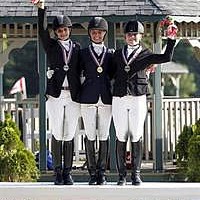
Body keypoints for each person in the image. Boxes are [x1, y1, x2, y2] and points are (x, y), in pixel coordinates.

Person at [112, 20, 178, 186]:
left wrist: (170, 39)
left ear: (140, 36)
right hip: (119, 97)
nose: (132, 37)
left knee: (136, 134)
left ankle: (135, 174)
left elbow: (166, 57)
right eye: (129, 34)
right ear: (124, 36)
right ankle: (121, 176)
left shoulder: (147, 54)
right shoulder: (117, 54)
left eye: (135, 34)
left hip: (138, 97)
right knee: (121, 135)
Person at [32, 0, 81, 185]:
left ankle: (68, 172)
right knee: (57, 132)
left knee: (69, 133)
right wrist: (42, 10)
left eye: (65, 30)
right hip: (55, 95)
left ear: (69, 30)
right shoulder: (51, 46)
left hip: (73, 95)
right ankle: (57, 172)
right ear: (56, 33)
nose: (62, 33)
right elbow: (42, 30)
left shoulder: (77, 48)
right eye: (59, 30)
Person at [79, 17, 114, 185]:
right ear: (90, 34)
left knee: (104, 135)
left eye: (100, 32)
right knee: (90, 135)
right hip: (88, 97)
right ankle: (92, 173)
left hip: (106, 98)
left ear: (104, 34)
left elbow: (116, 74)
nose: (97, 35)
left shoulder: (111, 53)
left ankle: (102, 172)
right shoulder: (83, 53)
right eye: (94, 32)